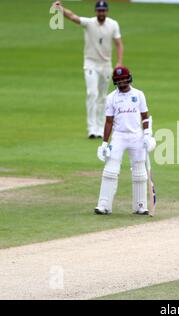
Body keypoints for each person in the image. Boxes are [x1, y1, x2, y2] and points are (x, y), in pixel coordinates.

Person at [54, 1, 124, 139]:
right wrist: (59, 8)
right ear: (96, 11)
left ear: (107, 11)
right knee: (92, 93)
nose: (101, 13)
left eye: (103, 11)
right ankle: (91, 128)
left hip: (106, 65)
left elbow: (119, 44)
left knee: (103, 96)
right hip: (90, 63)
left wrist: (119, 62)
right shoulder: (89, 23)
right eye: (99, 11)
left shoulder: (113, 24)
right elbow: (73, 17)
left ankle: (100, 128)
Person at [95, 66, 155, 216]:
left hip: (136, 135)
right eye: (119, 80)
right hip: (119, 136)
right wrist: (104, 143)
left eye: (124, 79)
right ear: (115, 81)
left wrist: (147, 134)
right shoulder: (111, 98)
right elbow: (109, 121)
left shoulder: (139, 95)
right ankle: (104, 205)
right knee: (110, 170)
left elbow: (145, 116)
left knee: (140, 171)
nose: (122, 82)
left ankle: (140, 206)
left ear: (129, 78)